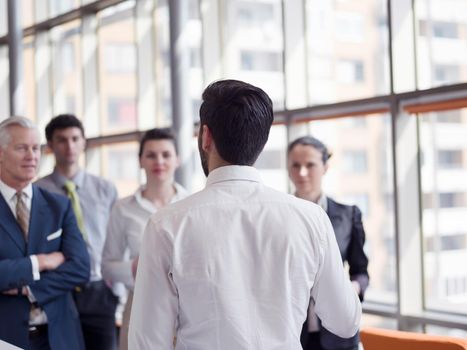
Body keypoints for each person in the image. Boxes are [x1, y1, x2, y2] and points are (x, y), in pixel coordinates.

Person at [128, 79, 362, 349]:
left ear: (205, 137)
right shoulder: (311, 218)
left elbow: (147, 342)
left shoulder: (166, 224)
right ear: (261, 141)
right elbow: (346, 321)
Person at [0, 116, 90, 350]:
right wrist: (40, 262)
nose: (32, 156)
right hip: (6, 337)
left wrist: (27, 288)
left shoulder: (59, 206)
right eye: (21, 148)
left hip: (59, 337)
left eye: (35, 148)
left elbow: (80, 267)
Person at [35, 114, 119, 350]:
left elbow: (116, 240)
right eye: (61, 140)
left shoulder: (105, 189)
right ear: (50, 146)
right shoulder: (38, 192)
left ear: (84, 142)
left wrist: (116, 291)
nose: (69, 146)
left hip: (100, 291)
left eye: (75, 138)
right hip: (59, 291)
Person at [102, 128, 188, 350]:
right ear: (140, 160)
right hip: (140, 302)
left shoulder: (192, 205)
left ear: (177, 159)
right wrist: (134, 266)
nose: (159, 161)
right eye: (151, 155)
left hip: (188, 306)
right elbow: (107, 266)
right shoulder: (122, 209)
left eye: (166, 154)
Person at [287, 136, 369, 350]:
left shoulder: (348, 215)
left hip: (338, 338)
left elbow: (361, 271)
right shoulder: (280, 216)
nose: (302, 173)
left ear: (325, 167)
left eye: (310, 165)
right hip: (293, 335)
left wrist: (352, 287)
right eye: (295, 165)